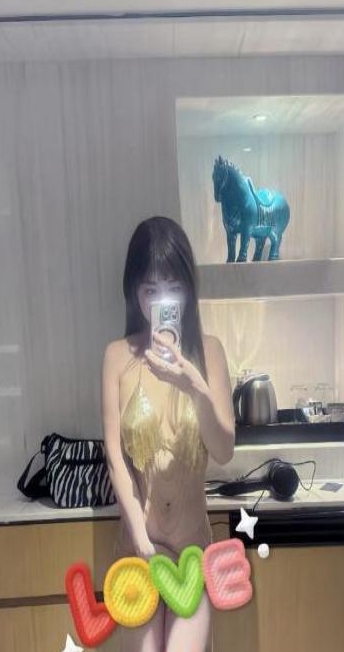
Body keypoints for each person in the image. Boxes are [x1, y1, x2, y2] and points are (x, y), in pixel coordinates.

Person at [101, 216, 235, 652]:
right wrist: (141, 540)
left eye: (173, 287)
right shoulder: (117, 356)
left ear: (189, 290)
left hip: (193, 552)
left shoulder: (209, 351)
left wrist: (194, 386)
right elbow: (115, 459)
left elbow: (224, 449)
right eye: (150, 290)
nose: (162, 300)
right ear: (134, 292)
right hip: (138, 551)